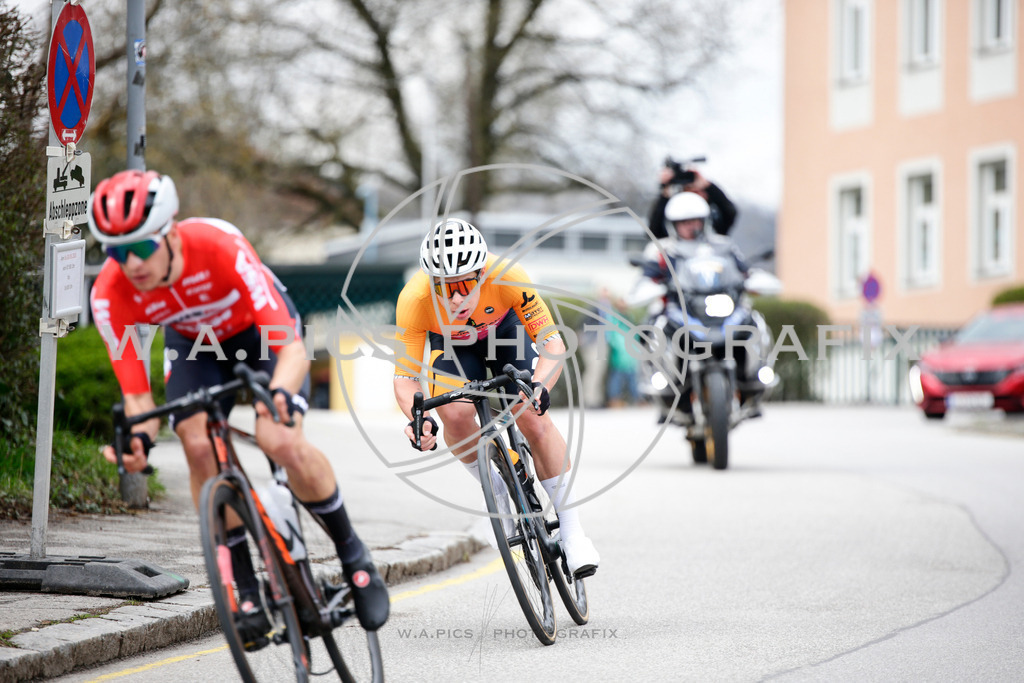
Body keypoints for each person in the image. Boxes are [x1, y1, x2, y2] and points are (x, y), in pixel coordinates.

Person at [87, 169, 389, 641]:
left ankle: (355, 558)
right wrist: (139, 440)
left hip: (261, 334)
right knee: (195, 439)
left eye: (142, 247)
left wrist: (281, 398)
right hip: (195, 346)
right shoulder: (110, 292)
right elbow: (136, 396)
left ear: (170, 233)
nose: (131, 264)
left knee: (279, 438)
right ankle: (245, 587)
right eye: (116, 252)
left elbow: (289, 346)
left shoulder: (218, 246)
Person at [391, 218, 600, 579]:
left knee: (530, 413)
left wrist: (539, 385)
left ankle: (572, 531)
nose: (456, 296)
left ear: (482, 272)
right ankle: (498, 489)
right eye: (444, 286)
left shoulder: (508, 275)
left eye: (465, 284)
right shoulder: (415, 299)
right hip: (454, 345)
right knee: (453, 414)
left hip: (505, 333)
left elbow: (552, 342)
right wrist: (417, 417)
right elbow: (405, 377)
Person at [647, 164, 737, 239]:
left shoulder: (713, 227)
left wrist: (709, 187)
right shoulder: (670, 242)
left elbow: (729, 212)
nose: (691, 227)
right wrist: (665, 193)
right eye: (684, 222)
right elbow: (654, 230)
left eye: (696, 221)